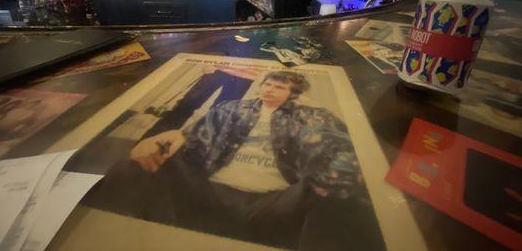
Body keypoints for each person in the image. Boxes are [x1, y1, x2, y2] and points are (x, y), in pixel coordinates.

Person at [90, 71, 383, 250]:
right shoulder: (231, 108)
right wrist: (170, 138)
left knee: (341, 204)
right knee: (128, 170)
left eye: (279, 87)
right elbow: (192, 139)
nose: (269, 89)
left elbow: (338, 156)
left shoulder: (315, 117)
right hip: (207, 189)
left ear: (293, 94)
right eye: (267, 84)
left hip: (275, 202)